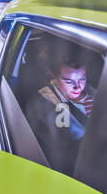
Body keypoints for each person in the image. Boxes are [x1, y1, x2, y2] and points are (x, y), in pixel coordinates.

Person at [26, 49, 96, 178]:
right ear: (52, 75)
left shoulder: (94, 93)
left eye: (82, 78)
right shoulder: (42, 104)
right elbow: (55, 151)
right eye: (69, 81)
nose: (78, 87)